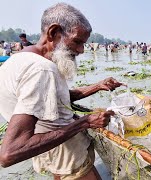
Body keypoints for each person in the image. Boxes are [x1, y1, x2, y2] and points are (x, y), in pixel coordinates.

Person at [0, 3, 124, 179]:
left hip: (53, 152)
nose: (81, 50)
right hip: (66, 156)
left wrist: (97, 86)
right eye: (77, 41)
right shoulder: (42, 69)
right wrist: (85, 122)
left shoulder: (21, 57)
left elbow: (53, 98)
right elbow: (9, 153)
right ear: (53, 32)